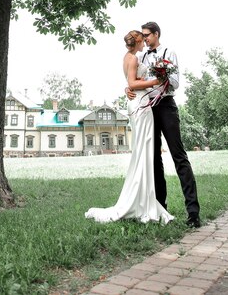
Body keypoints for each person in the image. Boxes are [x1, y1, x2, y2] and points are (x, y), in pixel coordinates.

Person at [85, 30, 174, 224]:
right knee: (143, 149)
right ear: (137, 42)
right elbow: (132, 83)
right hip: (141, 104)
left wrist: (138, 84)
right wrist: (157, 81)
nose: (144, 43)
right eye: (142, 40)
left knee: (145, 149)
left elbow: (132, 82)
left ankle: (145, 198)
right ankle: (140, 200)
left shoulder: (130, 57)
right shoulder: (133, 58)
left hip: (140, 102)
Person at [126, 21, 200, 228]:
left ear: (156, 34)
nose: (144, 39)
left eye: (147, 35)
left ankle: (193, 212)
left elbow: (175, 82)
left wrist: (162, 74)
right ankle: (160, 208)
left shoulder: (170, 52)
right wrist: (128, 87)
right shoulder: (140, 56)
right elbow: (135, 79)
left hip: (166, 106)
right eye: (142, 35)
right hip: (147, 109)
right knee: (154, 158)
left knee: (179, 156)